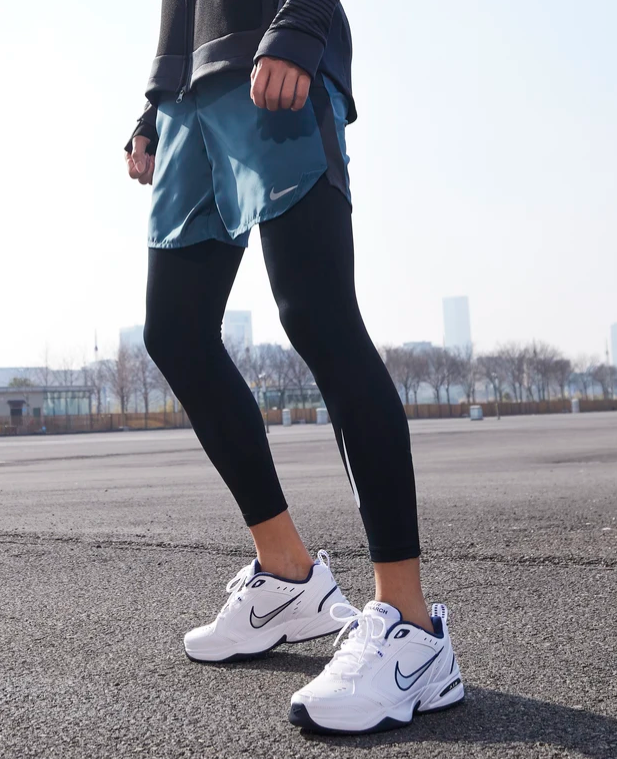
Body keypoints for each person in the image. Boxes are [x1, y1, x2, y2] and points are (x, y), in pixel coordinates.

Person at [124, 0, 463, 734]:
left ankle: (411, 632)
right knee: (175, 333)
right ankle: (286, 576)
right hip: (188, 91)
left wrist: (303, 21)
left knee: (316, 315)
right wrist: (154, 103)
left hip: (272, 49)